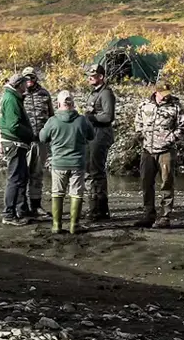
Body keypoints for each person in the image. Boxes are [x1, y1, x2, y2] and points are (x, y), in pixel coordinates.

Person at [39, 89, 96, 234]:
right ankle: (74, 225)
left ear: (58, 104)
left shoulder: (52, 121)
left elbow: (42, 138)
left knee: (57, 193)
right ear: (73, 103)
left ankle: (56, 225)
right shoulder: (82, 120)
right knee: (76, 193)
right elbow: (92, 136)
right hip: (77, 163)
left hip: (58, 163)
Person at [133, 82, 184, 228]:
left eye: (167, 94)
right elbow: (138, 122)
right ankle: (148, 215)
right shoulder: (144, 105)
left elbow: (182, 128)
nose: (165, 97)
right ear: (155, 92)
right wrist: (141, 134)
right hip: (147, 150)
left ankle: (165, 216)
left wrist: (170, 139)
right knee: (146, 183)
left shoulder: (176, 106)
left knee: (167, 183)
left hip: (166, 151)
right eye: (162, 94)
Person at [0, 69, 38, 225]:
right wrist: (30, 134)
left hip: (15, 143)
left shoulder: (11, 97)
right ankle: (8, 214)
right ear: (19, 85)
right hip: (15, 143)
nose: (26, 86)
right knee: (15, 179)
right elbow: (13, 126)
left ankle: (21, 210)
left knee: (22, 177)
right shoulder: (11, 99)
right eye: (23, 84)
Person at [83, 64, 119, 219]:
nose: (90, 77)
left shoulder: (106, 94)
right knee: (91, 170)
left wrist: (90, 118)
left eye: (93, 75)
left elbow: (108, 116)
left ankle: (99, 209)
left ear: (101, 77)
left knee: (96, 171)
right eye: (89, 75)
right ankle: (96, 207)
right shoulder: (94, 93)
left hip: (100, 134)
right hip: (93, 133)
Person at [19, 67, 54, 219]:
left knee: (37, 174)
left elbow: (52, 116)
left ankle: (36, 205)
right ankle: (22, 206)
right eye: (26, 78)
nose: (29, 81)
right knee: (23, 174)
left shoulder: (44, 94)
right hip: (24, 142)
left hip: (40, 141)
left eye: (32, 77)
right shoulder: (19, 94)